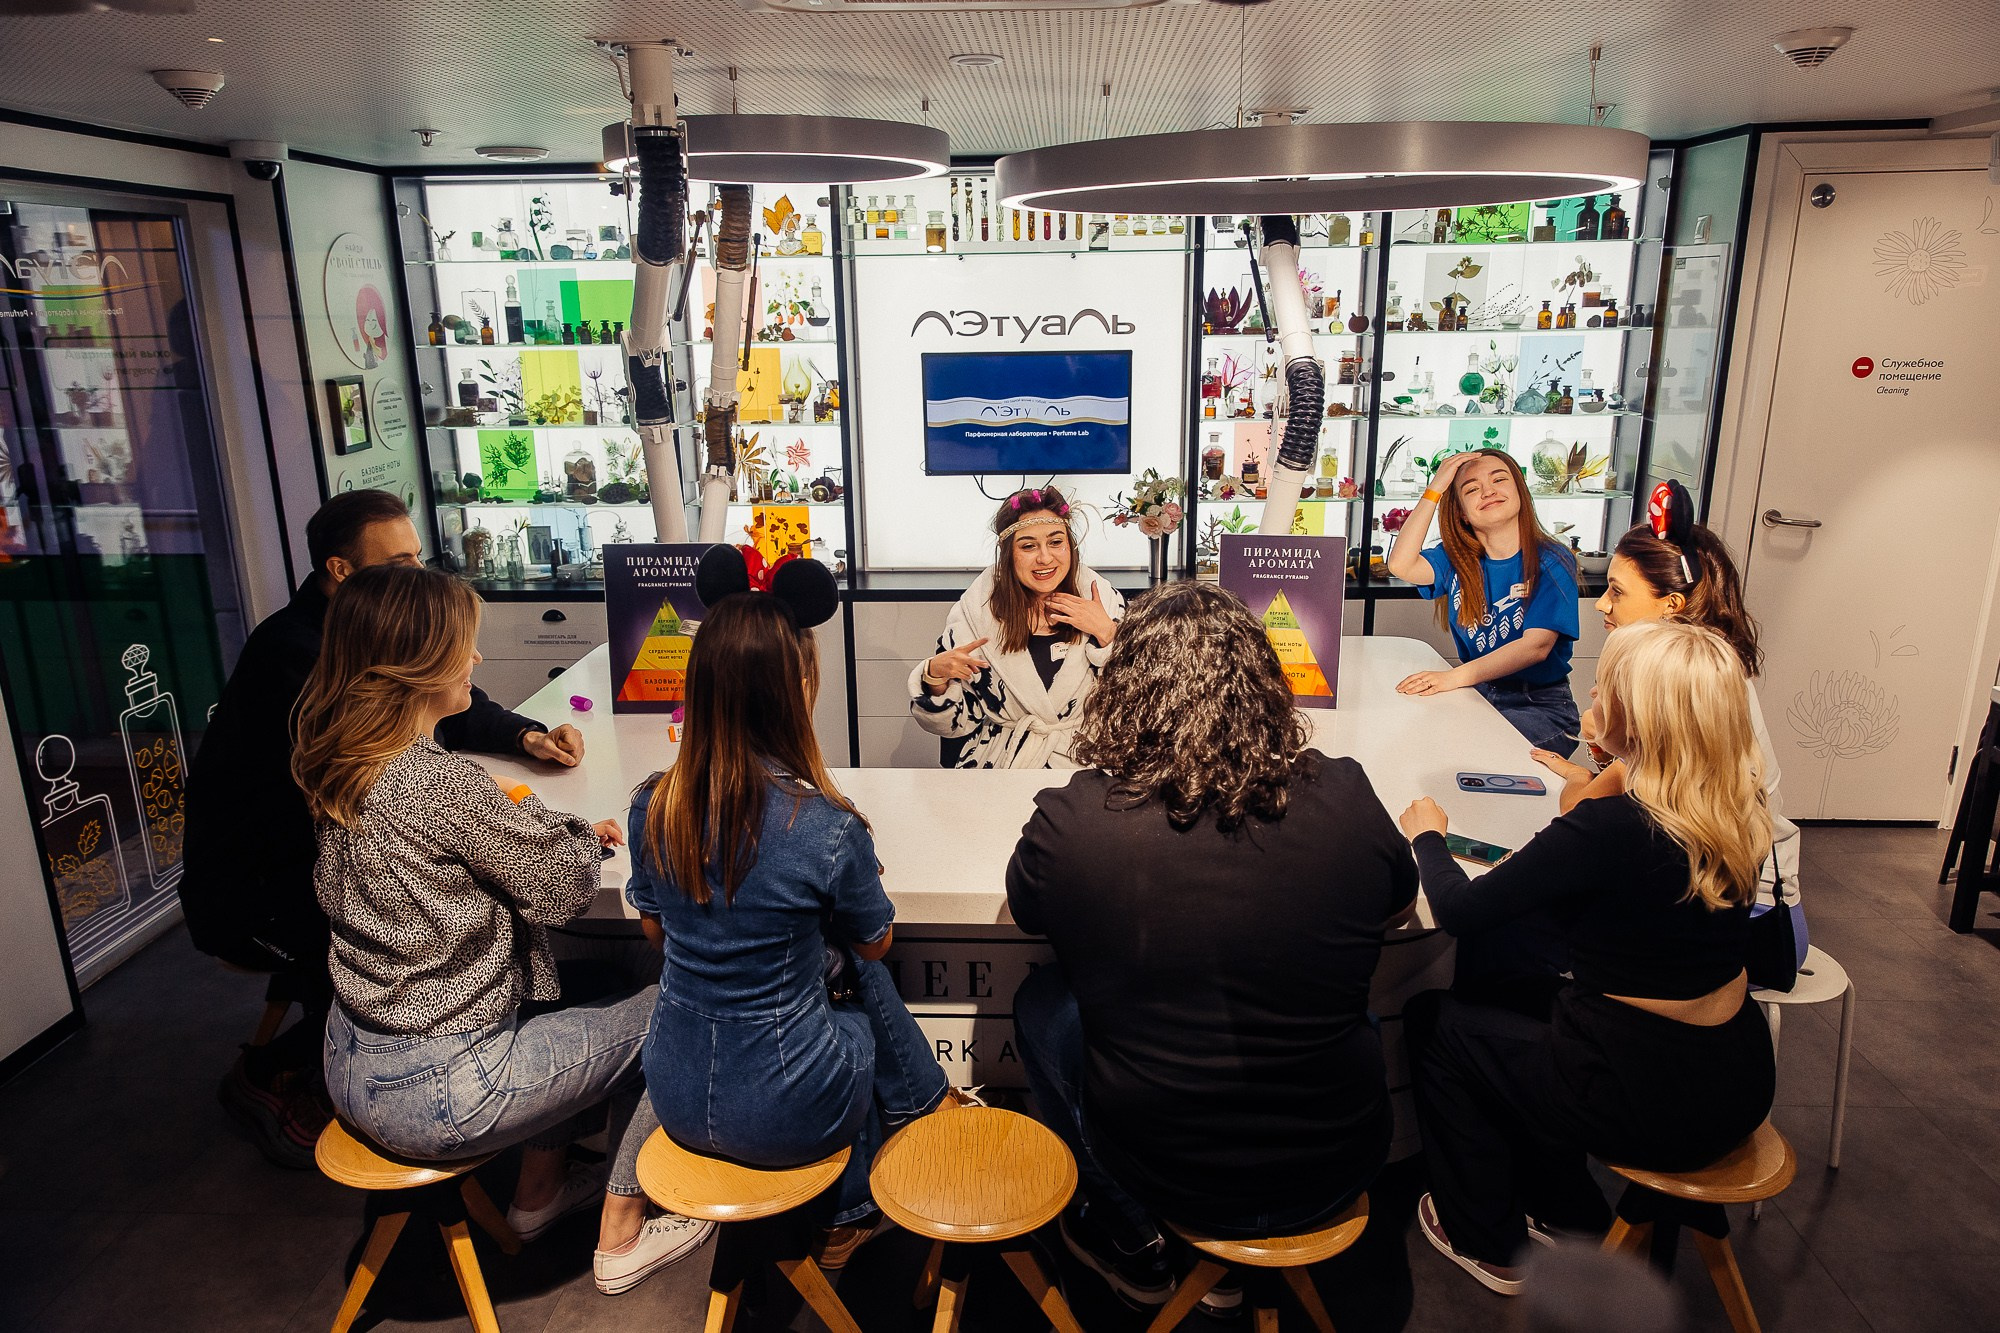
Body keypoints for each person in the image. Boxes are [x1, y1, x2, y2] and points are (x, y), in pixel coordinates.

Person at [298, 563, 710, 1295]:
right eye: (463, 646)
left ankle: (538, 1193)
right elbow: (557, 886)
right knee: (685, 1007)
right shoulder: (436, 781)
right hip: (444, 1087)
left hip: (350, 1062)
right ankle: (623, 1227)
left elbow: (488, 842)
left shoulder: (340, 761)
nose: (477, 660)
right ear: (417, 666)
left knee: (571, 978)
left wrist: (555, 829)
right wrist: (588, 839)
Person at [1007, 581, 1418, 1311]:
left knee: (1043, 1002)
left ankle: (1130, 1231)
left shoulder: (1074, 820)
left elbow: (1030, 910)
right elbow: (1396, 901)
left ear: (1124, 689)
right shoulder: (1348, 795)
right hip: (1340, 1158)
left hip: (1163, 1170)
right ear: (1262, 682)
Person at [179, 489, 585, 1168]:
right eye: (401, 562)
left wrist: (526, 734)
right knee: (405, 934)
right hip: (259, 884)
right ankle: (278, 1073)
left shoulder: (363, 641)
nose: (417, 573)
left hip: (319, 864)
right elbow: (553, 882)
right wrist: (486, 820)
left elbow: (453, 696)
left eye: (419, 557)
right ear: (341, 571)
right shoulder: (297, 656)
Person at [1397, 620, 1777, 1297]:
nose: (1592, 690)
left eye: (1609, 688)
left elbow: (1459, 911)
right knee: (1525, 994)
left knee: (1440, 1024)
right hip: (1736, 1078)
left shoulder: (1613, 829)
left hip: (1642, 1098)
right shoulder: (1737, 805)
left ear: (1644, 721)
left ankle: (1483, 1235)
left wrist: (1428, 835)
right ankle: (1563, 1200)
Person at [628, 547, 968, 1271]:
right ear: (799, 685)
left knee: (828, 968)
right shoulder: (824, 826)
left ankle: (919, 1126)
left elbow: (657, 931)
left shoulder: (651, 804)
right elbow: (877, 942)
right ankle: (862, 1197)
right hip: (783, 1104)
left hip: (676, 1092)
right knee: (851, 989)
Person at [1530, 487, 1803, 954]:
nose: (1601, 604)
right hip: (1726, 906)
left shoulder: (1677, 687)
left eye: (1617, 591)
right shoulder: (1708, 665)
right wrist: (1596, 762)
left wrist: (1585, 773)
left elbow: (1583, 812)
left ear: (1671, 605)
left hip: (1741, 928)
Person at [910, 485, 1124, 768]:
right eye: (1028, 546)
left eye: (1056, 542)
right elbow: (955, 725)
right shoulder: (974, 616)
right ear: (1008, 554)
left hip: (1085, 765)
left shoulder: (1106, 605)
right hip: (1002, 763)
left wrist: (1108, 634)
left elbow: (1138, 703)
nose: (1045, 558)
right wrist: (934, 678)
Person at [1385, 449, 1581, 754]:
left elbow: (1536, 646)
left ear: (1520, 492)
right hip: (1479, 694)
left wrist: (1452, 678)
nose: (1488, 491)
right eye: (1472, 489)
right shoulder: (1456, 560)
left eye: (1499, 480)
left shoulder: (1552, 559)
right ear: (1462, 512)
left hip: (1539, 705)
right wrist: (1435, 489)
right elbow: (1401, 565)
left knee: (1466, 753)